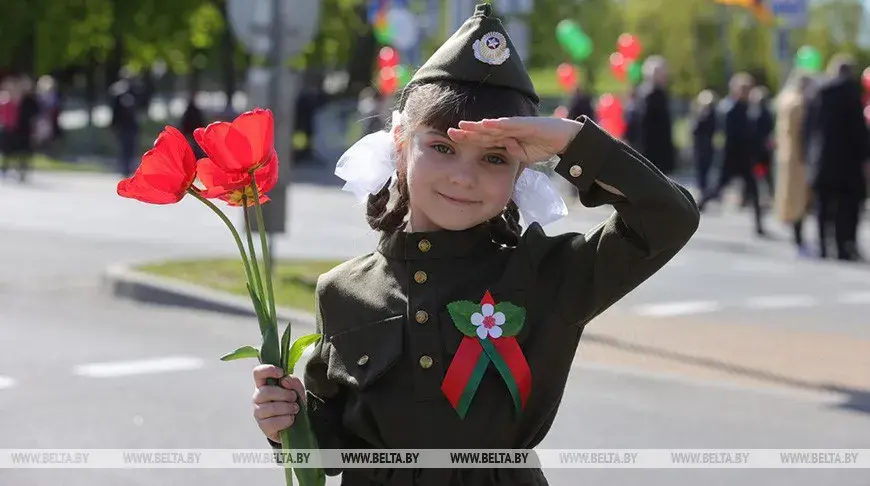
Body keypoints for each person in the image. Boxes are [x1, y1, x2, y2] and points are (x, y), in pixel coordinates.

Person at [250, 5, 700, 485]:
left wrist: (573, 142)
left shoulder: (547, 273)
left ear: (521, 169)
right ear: (400, 144)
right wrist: (285, 422)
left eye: (493, 158)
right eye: (442, 147)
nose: (464, 177)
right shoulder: (341, 291)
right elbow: (327, 453)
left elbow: (669, 218)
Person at [804, 54, 868, 261]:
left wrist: (808, 154)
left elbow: (808, 128)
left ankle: (822, 245)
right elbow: (858, 130)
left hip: (821, 159)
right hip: (847, 162)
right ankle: (842, 247)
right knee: (846, 207)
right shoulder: (850, 92)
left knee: (822, 206)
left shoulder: (818, 92)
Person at [699, 72, 765, 236]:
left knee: (754, 191)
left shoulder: (750, 109)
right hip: (731, 157)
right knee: (714, 189)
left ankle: (759, 225)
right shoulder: (729, 109)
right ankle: (694, 208)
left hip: (745, 158)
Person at [774, 73, 813, 256]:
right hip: (798, 156)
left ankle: (796, 234)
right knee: (798, 199)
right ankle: (798, 235)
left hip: (786, 154)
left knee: (789, 196)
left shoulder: (785, 99)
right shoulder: (798, 103)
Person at [633, 55, 676, 174]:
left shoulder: (661, 95)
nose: (665, 77)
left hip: (662, 152)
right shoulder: (647, 96)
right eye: (661, 73)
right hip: (650, 154)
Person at [748, 85, 775, 200]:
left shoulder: (761, 112)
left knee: (762, 174)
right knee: (761, 174)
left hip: (761, 150)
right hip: (760, 149)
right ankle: (765, 194)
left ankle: (766, 194)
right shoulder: (760, 112)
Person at [690, 89, 718, 199]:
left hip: (705, 145)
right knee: (701, 170)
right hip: (701, 145)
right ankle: (704, 191)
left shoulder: (707, 114)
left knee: (704, 170)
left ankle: (705, 192)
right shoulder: (701, 113)